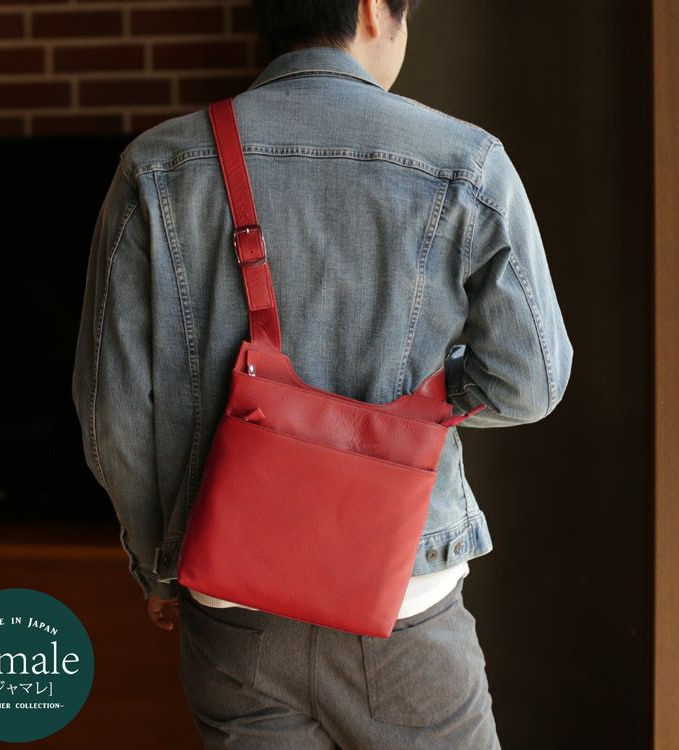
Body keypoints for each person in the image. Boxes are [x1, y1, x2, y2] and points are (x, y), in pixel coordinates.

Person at [72, 0, 574, 746]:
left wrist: (160, 564)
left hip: (236, 620)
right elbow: (530, 382)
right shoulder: (467, 163)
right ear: (374, 9)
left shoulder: (156, 166)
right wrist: (416, 410)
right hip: (404, 610)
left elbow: (111, 417)